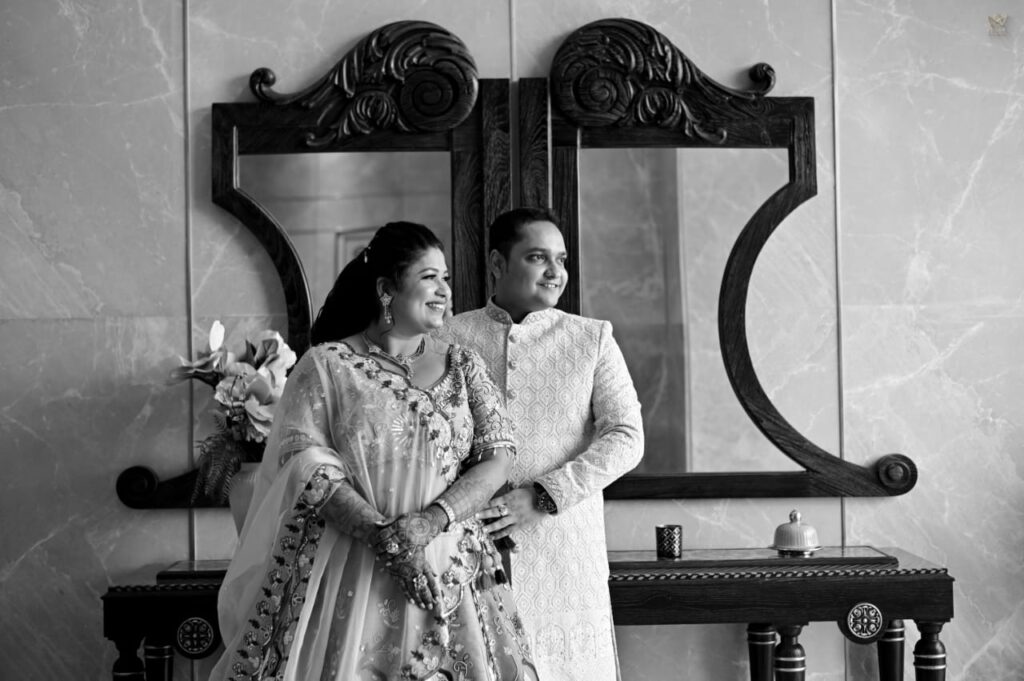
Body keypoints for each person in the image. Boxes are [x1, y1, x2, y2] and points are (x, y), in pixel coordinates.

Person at [208, 222, 538, 681]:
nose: (445, 290)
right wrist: (387, 539)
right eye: (429, 277)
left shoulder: (464, 364)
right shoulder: (328, 365)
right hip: (354, 566)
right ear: (386, 289)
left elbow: (497, 458)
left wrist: (429, 522)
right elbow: (305, 464)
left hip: (451, 566)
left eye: (445, 277)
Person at [439, 208, 644, 681]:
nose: (555, 272)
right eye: (537, 257)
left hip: (564, 553)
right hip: (470, 547)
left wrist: (545, 495)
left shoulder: (591, 339)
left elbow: (627, 437)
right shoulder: (448, 339)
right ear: (497, 263)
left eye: (561, 259)